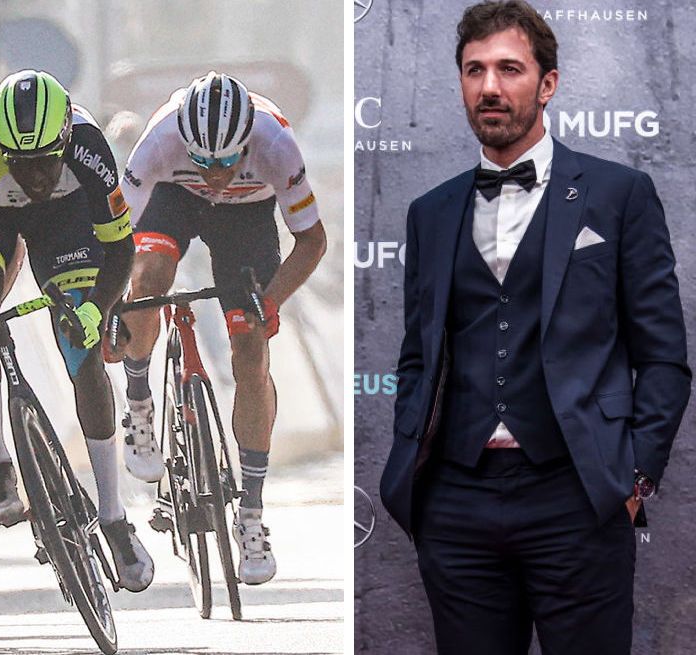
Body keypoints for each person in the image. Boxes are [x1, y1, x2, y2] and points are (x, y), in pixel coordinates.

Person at [379, 2, 691, 653]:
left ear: (547, 83)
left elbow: (663, 357)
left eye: (509, 69)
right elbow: (418, 355)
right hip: (456, 503)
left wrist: (632, 479)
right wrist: (418, 477)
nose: (489, 86)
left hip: (577, 495)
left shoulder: (618, 194)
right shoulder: (429, 213)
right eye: (474, 70)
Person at [0, 70, 154, 591]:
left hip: (66, 219)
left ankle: (112, 514)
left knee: (82, 350)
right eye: (23, 164)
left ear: (63, 140)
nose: (36, 176)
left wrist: (96, 311)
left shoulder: (89, 148)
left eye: (45, 161)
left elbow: (122, 249)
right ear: (2, 150)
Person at [115, 71, 327, 585]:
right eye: (203, 161)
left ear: (247, 144)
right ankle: (140, 403)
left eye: (227, 161)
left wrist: (270, 303)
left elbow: (313, 242)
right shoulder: (161, 138)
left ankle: (251, 513)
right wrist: (113, 306)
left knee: (251, 351)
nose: (214, 173)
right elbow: (114, 231)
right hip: (172, 200)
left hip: (248, 219)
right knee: (149, 274)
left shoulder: (276, 142)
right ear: (184, 143)